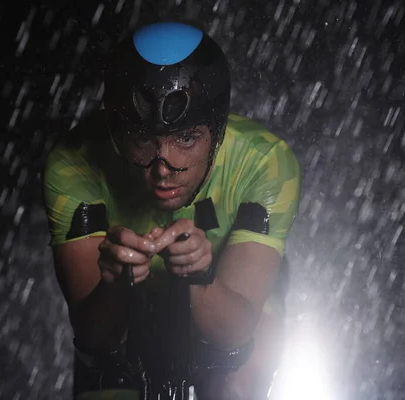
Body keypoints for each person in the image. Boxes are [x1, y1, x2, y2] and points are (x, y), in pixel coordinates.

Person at [42, 20, 301, 400]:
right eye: (143, 139)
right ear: (117, 133)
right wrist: (114, 285)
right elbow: (96, 338)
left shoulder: (266, 163)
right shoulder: (73, 163)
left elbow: (235, 332)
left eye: (186, 138)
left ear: (216, 132)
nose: (163, 168)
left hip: (233, 294)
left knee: (235, 388)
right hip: (131, 299)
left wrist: (198, 279)